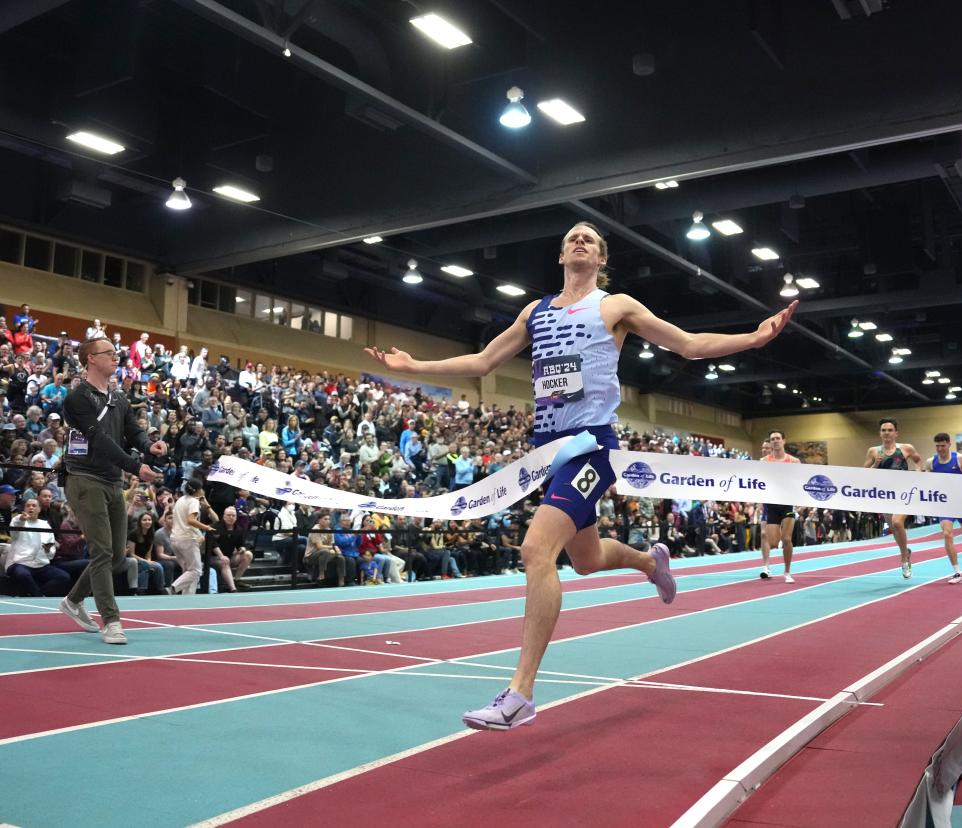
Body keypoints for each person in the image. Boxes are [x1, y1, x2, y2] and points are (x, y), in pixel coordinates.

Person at [366, 221, 796, 730]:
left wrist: (753, 337)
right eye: (571, 235)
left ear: (602, 259)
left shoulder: (615, 307)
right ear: (560, 255)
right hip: (549, 453)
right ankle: (649, 562)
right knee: (586, 559)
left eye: (590, 238)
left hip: (592, 447)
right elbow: (483, 362)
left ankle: (520, 694)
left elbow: (687, 345)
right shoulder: (536, 312)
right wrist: (414, 367)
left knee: (534, 550)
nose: (580, 240)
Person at [57, 337, 165, 644]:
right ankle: (111, 620)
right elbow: (99, 440)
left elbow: (133, 431)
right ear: (90, 358)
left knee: (116, 555)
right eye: (109, 353)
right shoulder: (78, 397)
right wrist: (135, 467)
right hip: (84, 477)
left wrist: (149, 446)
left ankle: (73, 600)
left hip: (111, 480)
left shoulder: (118, 398)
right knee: (103, 551)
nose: (116, 358)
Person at [863, 418, 922, 579]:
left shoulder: (906, 448)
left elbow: (918, 461)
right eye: (884, 430)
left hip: (904, 493)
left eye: (890, 430)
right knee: (894, 529)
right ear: (880, 433)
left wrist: (918, 473)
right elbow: (863, 473)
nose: (886, 433)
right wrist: (875, 465)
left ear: (896, 433)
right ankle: (906, 551)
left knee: (897, 522)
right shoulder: (874, 451)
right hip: (885, 495)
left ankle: (903, 560)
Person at [923, 432, 962, 584]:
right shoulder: (931, 462)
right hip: (944, 505)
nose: (940, 449)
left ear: (949, 444)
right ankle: (957, 572)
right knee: (947, 534)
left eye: (942, 445)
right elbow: (926, 482)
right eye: (937, 446)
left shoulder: (960, 459)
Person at [758, 430, 801, 583]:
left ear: (783, 441)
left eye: (777, 438)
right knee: (774, 542)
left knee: (787, 538)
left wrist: (800, 502)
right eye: (772, 439)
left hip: (787, 504)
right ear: (770, 443)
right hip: (771, 504)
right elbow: (758, 483)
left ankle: (787, 572)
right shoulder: (764, 461)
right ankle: (780, 537)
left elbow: (800, 482)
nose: (775, 441)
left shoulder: (794, 461)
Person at [5, 498, 68, 597]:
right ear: (24, 509)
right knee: (23, 574)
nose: (31, 507)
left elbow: (51, 549)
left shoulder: (45, 525)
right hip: (20, 563)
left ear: (39, 509)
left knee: (63, 577)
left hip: (41, 564)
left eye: (34, 506)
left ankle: (39, 594)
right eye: (28, 505)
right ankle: (38, 596)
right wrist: (21, 519)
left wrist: (48, 550)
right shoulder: (17, 520)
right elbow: (15, 530)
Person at [170, 480, 215, 595]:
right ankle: (174, 587)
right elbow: (191, 520)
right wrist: (207, 527)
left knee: (188, 571)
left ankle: (187, 600)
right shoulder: (193, 501)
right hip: (187, 539)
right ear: (198, 490)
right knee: (196, 571)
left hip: (175, 539)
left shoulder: (180, 500)